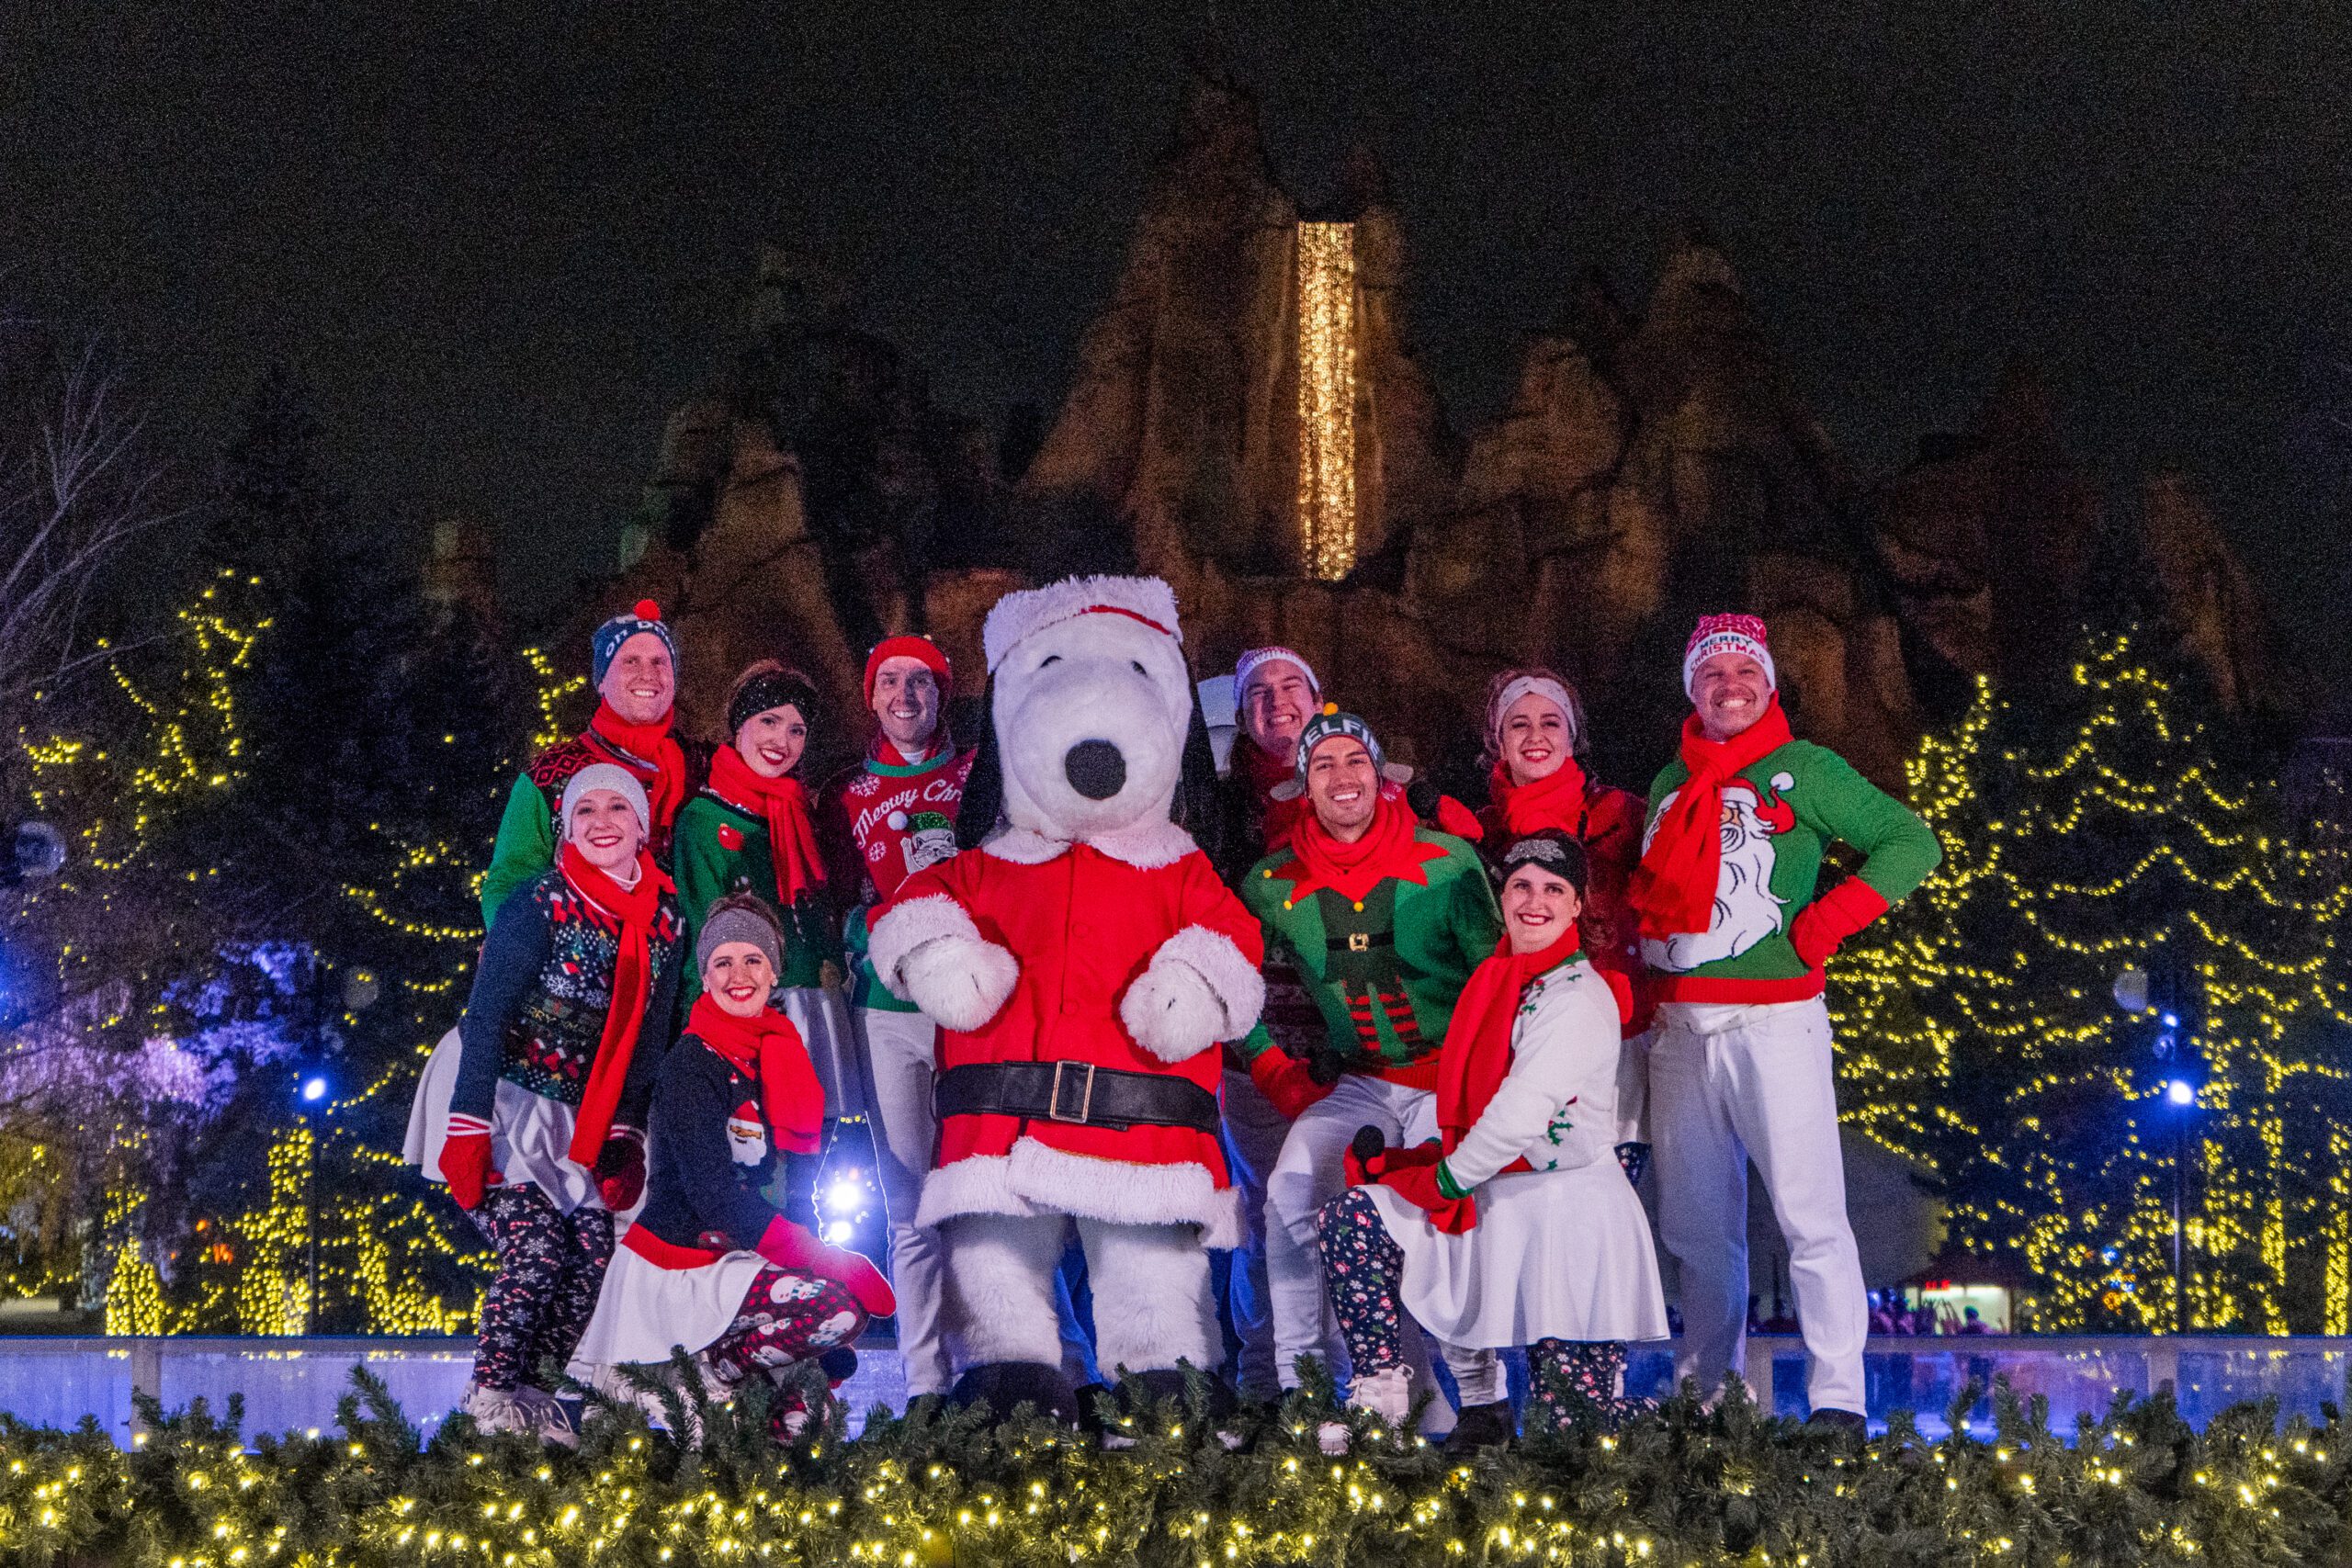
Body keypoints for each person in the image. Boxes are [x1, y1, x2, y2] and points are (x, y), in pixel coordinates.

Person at [1632, 614, 1941, 1433]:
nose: (1729, 686)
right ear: (1691, 689)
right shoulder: (1670, 782)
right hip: (1679, 1030)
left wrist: (1829, 918)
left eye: (1744, 672)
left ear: (1768, 685)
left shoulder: (1803, 767)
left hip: (1774, 1022)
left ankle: (1838, 1398)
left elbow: (1910, 841)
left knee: (1810, 1215)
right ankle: (1710, 1395)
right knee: (1695, 1229)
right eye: (1712, 674)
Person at [1315, 831, 1668, 1451]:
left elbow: (1520, 1112)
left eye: (1554, 888)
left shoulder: (1582, 995)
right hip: (1494, 1190)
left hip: (1569, 1218)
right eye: (1521, 885)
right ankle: (1401, 1400)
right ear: (1502, 894)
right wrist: (1431, 1175)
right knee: (1356, 1218)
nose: (1535, 900)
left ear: (1578, 903)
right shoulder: (1492, 981)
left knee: (1572, 1450)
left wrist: (1442, 1181)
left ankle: (1685, 1427)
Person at [1237, 706, 1502, 1425]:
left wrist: (1490, 1085)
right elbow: (1226, 979)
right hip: (1359, 1081)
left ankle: (1480, 1400)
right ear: (1304, 785)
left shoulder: (1447, 862)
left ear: (1379, 775)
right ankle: (1305, 1390)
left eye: (1355, 760)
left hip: (1449, 1079)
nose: (1342, 776)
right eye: (1323, 764)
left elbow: (1502, 981)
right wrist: (1273, 1070)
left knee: (1450, 1217)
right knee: (1291, 1187)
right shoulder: (1270, 882)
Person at [405, 763, 686, 1441]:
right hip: (499, 1097)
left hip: (578, 1117)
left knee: (589, 1256)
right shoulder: (540, 901)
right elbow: (489, 1011)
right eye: (584, 811)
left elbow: (648, 1036)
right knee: (535, 1249)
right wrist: (468, 1127)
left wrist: (627, 1131)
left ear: (641, 827)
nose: (600, 823)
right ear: (566, 825)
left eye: (616, 808)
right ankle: (490, 1396)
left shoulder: (664, 921)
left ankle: (531, 1399)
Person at [573, 895, 894, 1443]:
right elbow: (712, 1194)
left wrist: (818, 1264)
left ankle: (769, 1467)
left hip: (741, 1256)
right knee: (835, 1309)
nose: (738, 975)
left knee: (810, 1392)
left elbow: (797, 1192)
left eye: (752, 960)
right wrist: (826, 1263)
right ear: (704, 977)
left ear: (773, 972)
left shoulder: (783, 1057)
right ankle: (712, 1374)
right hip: (679, 1261)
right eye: (723, 962)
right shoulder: (691, 1062)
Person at [815, 634, 975, 1404]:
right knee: (908, 1200)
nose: (907, 695)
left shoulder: (979, 774)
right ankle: (926, 1384)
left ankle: (1015, 1367)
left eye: (922, 681)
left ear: (944, 694)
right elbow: (827, 898)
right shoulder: (842, 793)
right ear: (871, 697)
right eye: (890, 681)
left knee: (986, 1196)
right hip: (888, 1012)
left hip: (979, 1012)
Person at [1206, 647, 1329, 1400]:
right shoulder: (1220, 804)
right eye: (1257, 690)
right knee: (1263, 1216)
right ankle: (1263, 1380)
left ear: (1320, 698)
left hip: (1347, 1047)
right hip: (1255, 1047)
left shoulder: (1355, 782)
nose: (1275, 700)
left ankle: (1343, 1380)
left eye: (1290, 686)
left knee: (1343, 1216)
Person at [1475, 667, 1653, 1180]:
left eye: (1551, 722)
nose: (1535, 737)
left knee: (1609, 1185)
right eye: (1519, 724)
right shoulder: (1482, 829)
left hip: (1617, 1032)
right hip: (1522, 1034)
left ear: (1573, 738)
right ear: (1497, 741)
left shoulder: (1617, 814)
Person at [673, 661, 855, 1122]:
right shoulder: (702, 819)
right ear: (739, 726)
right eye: (768, 721)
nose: (782, 741)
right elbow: (700, 927)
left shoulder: (799, 811)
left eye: (797, 730)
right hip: (752, 1009)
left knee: (823, 1150)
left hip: (815, 1003)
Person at [480, 601, 696, 926]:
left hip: (687, 967)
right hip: (579, 962)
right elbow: (509, 882)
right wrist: (523, 954)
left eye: (659, 662)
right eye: (630, 661)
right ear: (601, 681)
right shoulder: (550, 774)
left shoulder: (702, 766)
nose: (648, 674)